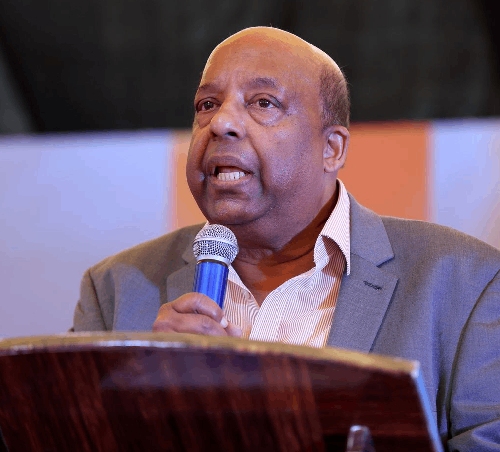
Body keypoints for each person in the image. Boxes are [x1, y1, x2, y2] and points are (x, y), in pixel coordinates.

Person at [73, 27, 500, 450]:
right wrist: (148, 406)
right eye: (207, 104)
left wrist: (254, 408)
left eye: (263, 103)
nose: (221, 123)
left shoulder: (467, 282)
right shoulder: (114, 291)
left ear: (332, 149)